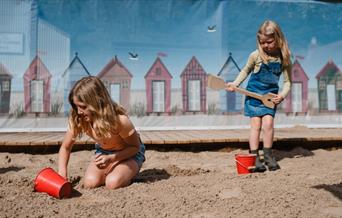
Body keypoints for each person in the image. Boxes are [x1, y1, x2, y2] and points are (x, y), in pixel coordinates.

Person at [226, 20, 292, 172]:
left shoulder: (284, 57)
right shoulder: (255, 56)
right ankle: (254, 157)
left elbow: (288, 82)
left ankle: (268, 155)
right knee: (256, 126)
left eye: (269, 42)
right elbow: (245, 71)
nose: (265, 46)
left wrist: (282, 95)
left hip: (269, 99)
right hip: (254, 96)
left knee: (268, 124)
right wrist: (235, 84)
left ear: (278, 38)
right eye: (262, 42)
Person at [58, 76, 145, 189]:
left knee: (113, 183)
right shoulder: (78, 118)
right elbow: (65, 148)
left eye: (83, 107)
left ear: (97, 102)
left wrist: (112, 158)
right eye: (76, 106)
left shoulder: (120, 120)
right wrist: (62, 174)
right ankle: (115, 171)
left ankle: (127, 172)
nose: (79, 111)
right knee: (90, 183)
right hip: (104, 152)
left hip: (130, 154)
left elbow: (135, 147)